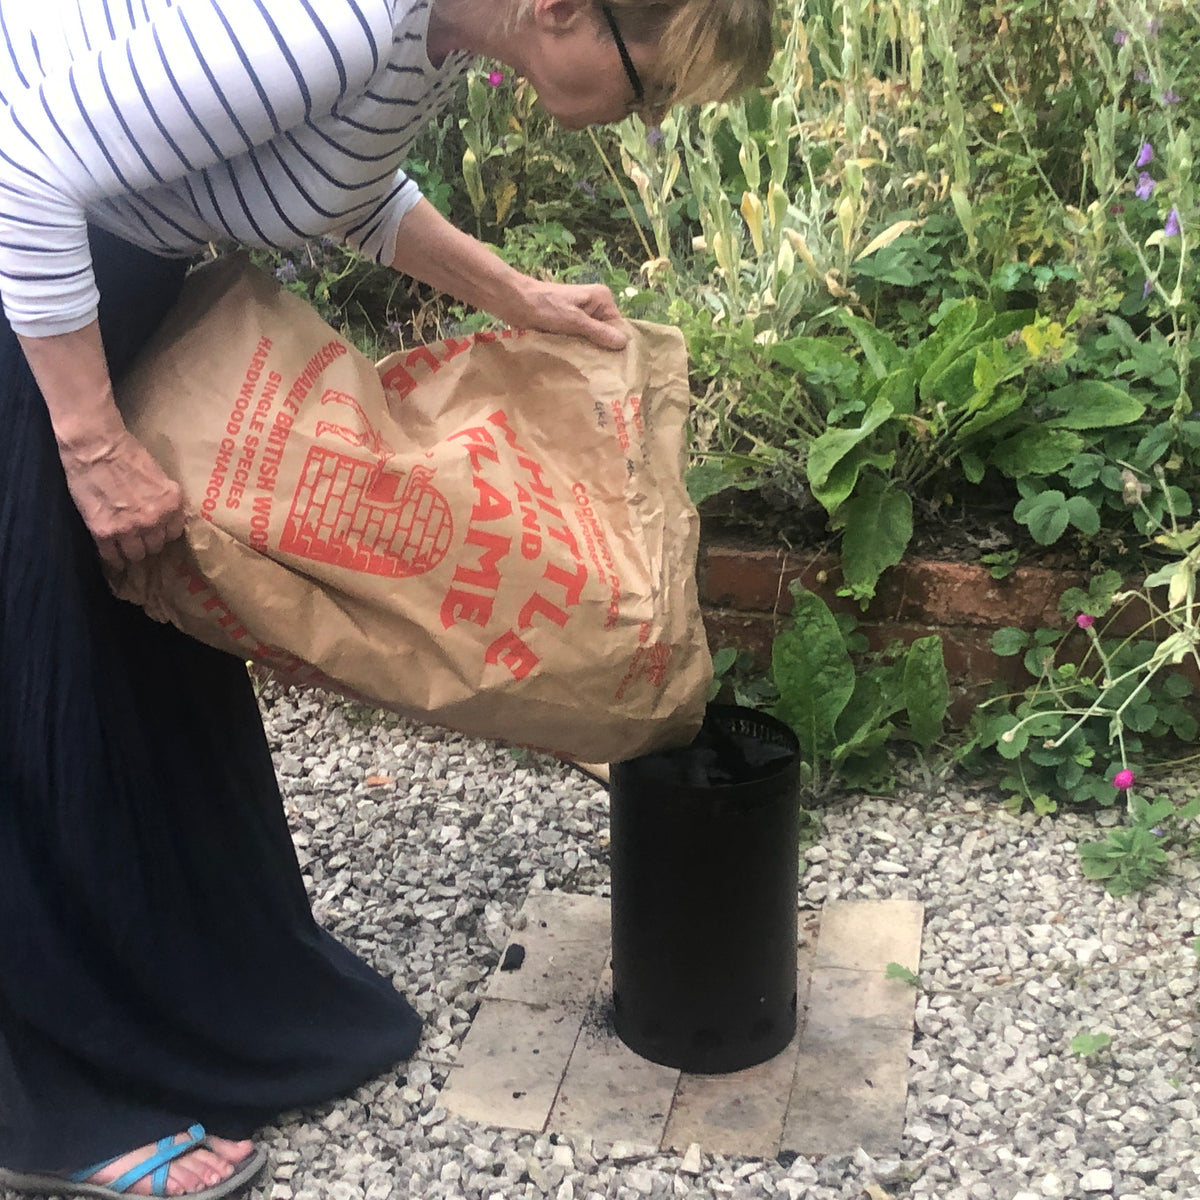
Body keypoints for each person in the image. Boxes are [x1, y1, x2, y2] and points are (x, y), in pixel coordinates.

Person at [0, 0, 772, 1196]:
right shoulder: (348, 19)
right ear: (566, 9)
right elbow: (29, 166)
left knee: (150, 673)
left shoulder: (432, 37)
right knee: (44, 705)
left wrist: (518, 295)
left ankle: (211, 1009)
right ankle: (51, 1107)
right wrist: (93, 444)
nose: (649, 120)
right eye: (653, 86)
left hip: (99, 296)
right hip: (34, 300)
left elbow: (345, 186)